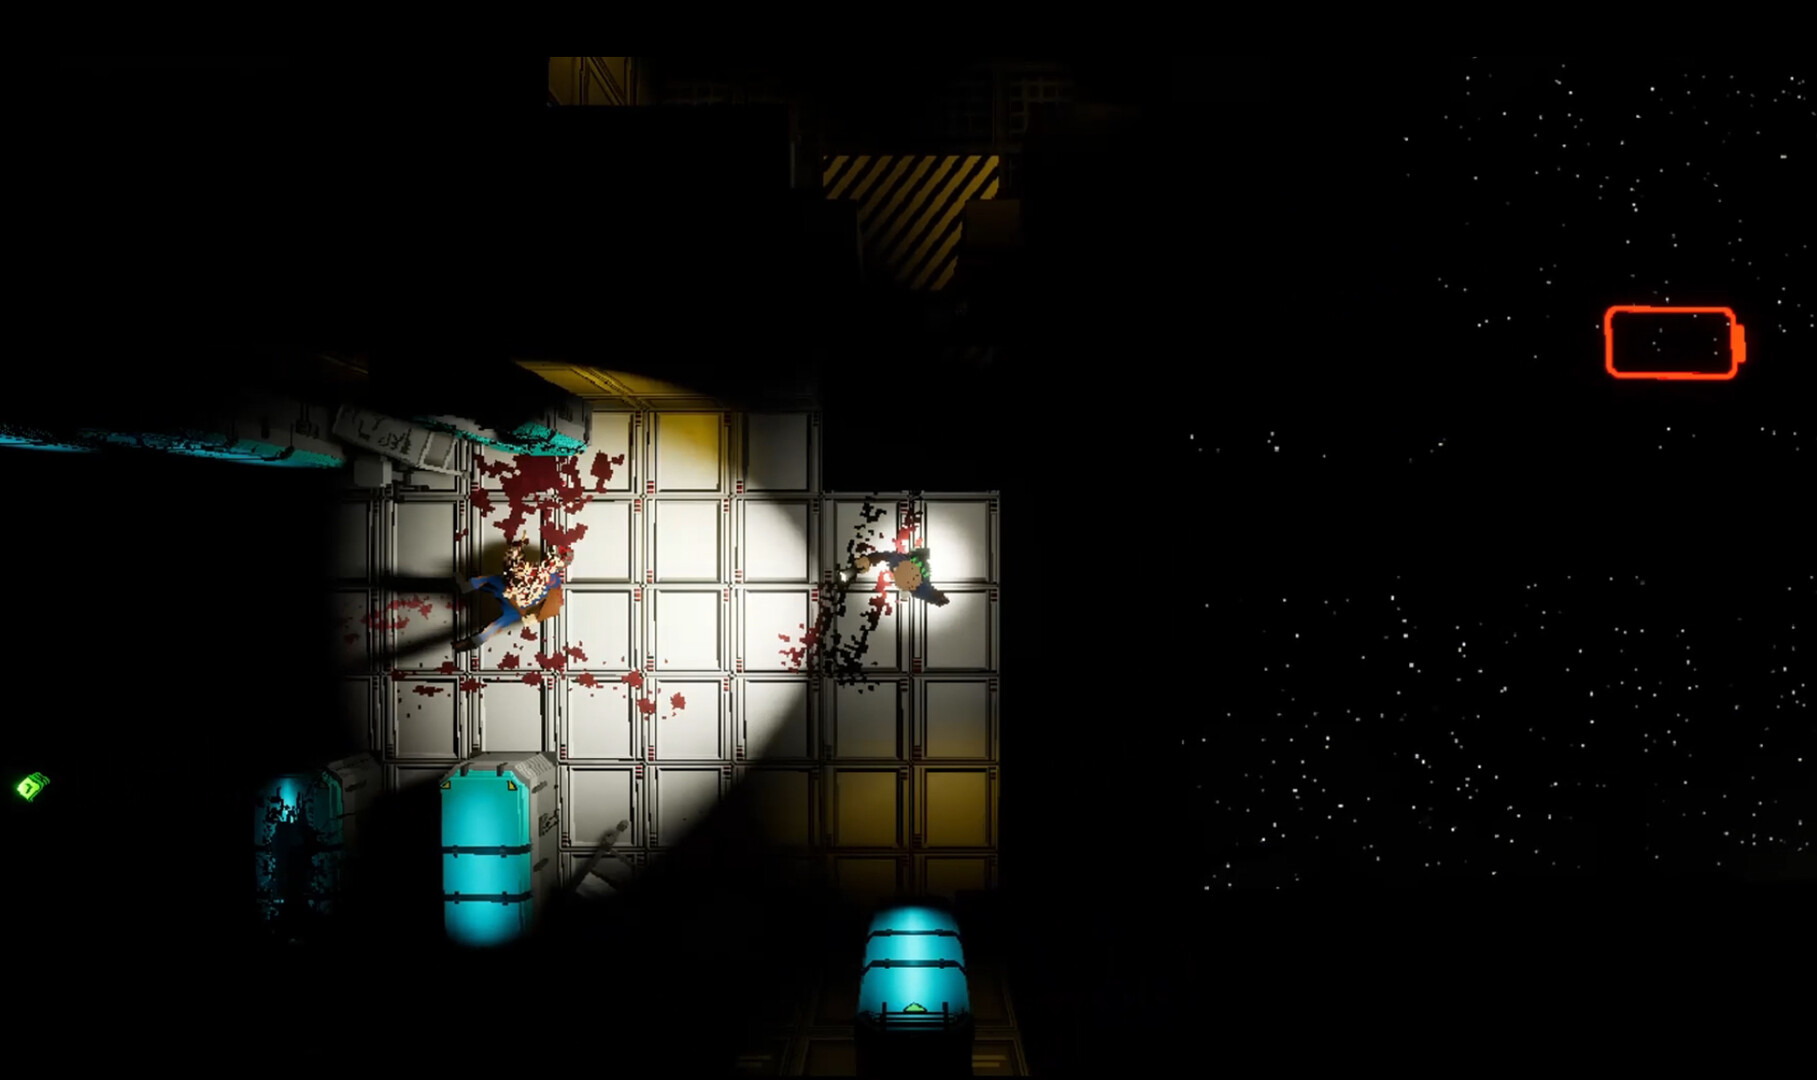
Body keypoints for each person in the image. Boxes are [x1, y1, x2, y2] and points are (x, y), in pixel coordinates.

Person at [452, 539, 572, 651]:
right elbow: (551, 605)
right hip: (518, 607)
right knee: (498, 623)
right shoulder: (554, 580)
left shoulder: (536, 568)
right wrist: (530, 619)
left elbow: (511, 569)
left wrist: (516, 550)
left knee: (488, 580)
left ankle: (467, 586)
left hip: (509, 592)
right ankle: (477, 640)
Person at [852, 546, 950, 606]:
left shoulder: (920, 587)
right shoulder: (899, 561)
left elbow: (930, 593)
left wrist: (938, 598)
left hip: (917, 574)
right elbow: (884, 556)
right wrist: (868, 559)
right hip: (913, 569)